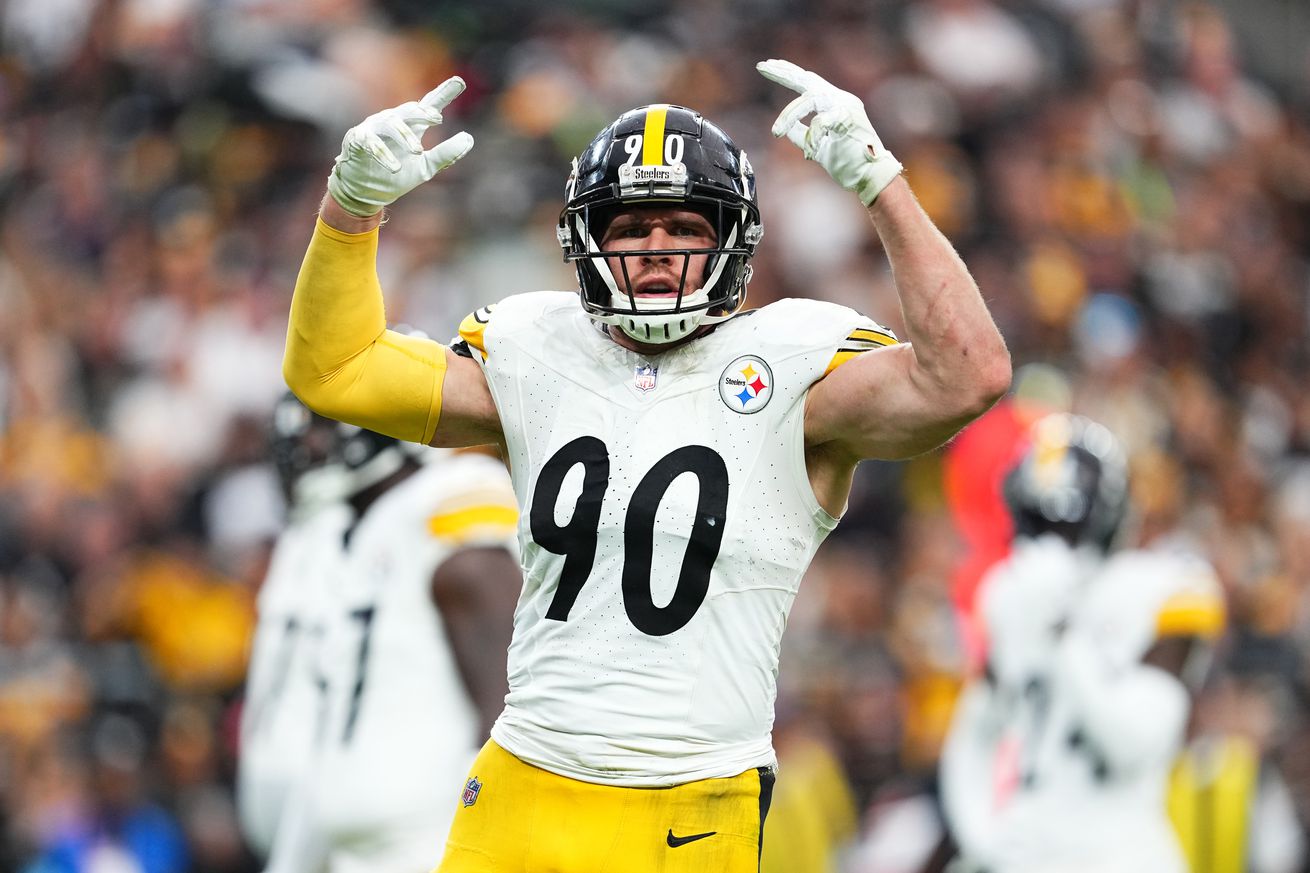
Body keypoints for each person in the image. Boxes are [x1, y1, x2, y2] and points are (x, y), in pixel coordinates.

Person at [283, 59, 1010, 871]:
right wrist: (349, 212)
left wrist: (881, 184)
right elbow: (335, 370)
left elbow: (968, 373)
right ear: (588, 240)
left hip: (688, 804)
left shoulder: (794, 366)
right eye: (631, 228)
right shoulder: (537, 348)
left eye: (684, 227)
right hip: (518, 785)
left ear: (730, 240)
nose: (656, 251)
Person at [238, 394, 521, 873]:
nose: (310, 445)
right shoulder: (355, 529)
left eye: (326, 427)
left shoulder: (448, 492)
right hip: (356, 849)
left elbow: (508, 688)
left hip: (430, 843)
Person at [938, 413, 1227, 873]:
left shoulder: (1164, 587)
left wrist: (1062, 633)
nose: (1054, 544)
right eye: (1040, 523)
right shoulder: (1011, 597)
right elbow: (973, 736)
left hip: (1119, 853)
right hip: (1024, 849)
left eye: (1070, 525)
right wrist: (983, 838)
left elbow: (1133, 740)